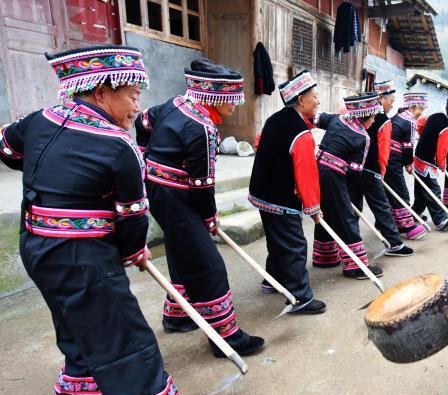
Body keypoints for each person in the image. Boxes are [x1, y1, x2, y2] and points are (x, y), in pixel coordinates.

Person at [0, 45, 216, 395]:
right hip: (83, 255)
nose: (138, 104)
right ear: (100, 92)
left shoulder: (40, 120)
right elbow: (134, 218)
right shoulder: (119, 146)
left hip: (36, 245)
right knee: (125, 338)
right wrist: (130, 253)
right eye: (131, 93)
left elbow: (6, 149)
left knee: (73, 318)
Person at [135, 58, 264, 355]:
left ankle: (178, 317)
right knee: (209, 266)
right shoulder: (202, 129)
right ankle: (225, 338)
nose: (234, 105)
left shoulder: (174, 104)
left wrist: (145, 160)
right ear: (213, 96)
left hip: (157, 192)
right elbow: (201, 185)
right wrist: (209, 218)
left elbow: (143, 122)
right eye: (230, 99)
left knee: (183, 253)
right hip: (177, 199)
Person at [248, 70, 327, 314]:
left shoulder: (276, 118)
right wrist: (314, 208)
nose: (318, 101)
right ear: (300, 100)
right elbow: (306, 175)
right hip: (280, 196)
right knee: (294, 244)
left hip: (262, 193)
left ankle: (271, 280)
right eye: (314, 96)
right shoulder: (300, 132)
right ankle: (299, 297)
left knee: (276, 239)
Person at [312, 93, 384, 279]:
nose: (374, 120)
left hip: (316, 171)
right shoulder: (363, 137)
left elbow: (316, 118)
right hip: (334, 178)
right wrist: (347, 195)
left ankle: (324, 256)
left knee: (326, 212)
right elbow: (355, 173)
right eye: (373, 116)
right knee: (346, 217)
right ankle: (356, 265)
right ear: (364, 115)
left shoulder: (337, 120)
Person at [349, 79, 414, 257]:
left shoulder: (357, 115)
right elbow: (383, 153)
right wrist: (381, 174)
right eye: (391, 100)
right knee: (382, 207)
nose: (392, 105)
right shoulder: (384, 121)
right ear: (381, 98)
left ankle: (348, 249)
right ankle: (394, 243)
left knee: (352, 208)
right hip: (371, 170)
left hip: (352, 169)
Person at [384, 93, 429, 239]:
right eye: (420, 108)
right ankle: (407, 227)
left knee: (392, 193)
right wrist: (409, 163)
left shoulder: (398, 117)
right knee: (402, 193)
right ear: (413, 106)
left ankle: (392, 223)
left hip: (388, 159)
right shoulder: (409, 121)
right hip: (394, 160)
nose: (421, 112)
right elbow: (408, 146)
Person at [412, 100, 448, 231]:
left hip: (418, 156)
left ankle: (415, 212)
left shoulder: (434, 116)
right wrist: (441, 164)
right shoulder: (446, 127)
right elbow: (442, 150)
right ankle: (441, 220)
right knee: (433, 190)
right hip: (427, 161)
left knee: (421, 188)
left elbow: (420, 124)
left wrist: (426, 139)